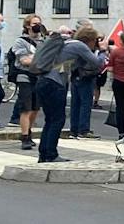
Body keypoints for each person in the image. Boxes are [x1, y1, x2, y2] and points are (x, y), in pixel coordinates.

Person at [33, 25, 100, 164]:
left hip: (43, 81)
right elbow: (96, 63)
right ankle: (51, 154)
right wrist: (102, 51)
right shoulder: (80, 46)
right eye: (96, 41)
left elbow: (66, 65)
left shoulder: (66, 43)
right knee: (57, 120)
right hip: (55, 83)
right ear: (90, 39)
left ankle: (43, 154)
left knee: (50, 120)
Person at [9, 19, 43, 151]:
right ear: (27, 26)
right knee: (26, 108)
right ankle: (24, 137)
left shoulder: (43, 41)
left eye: (39, 23)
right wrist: (42, 60)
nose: (37, 26)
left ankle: (28, 131)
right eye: (34, 23)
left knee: (35, 108)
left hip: (38, 77)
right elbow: (24, 60)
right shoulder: (20, 42)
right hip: (24, 76)